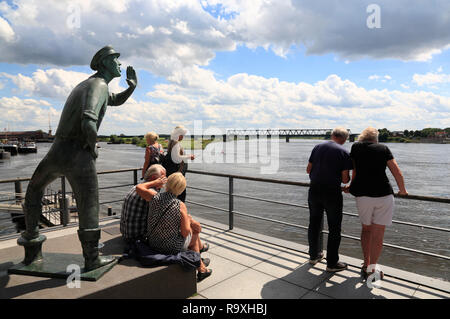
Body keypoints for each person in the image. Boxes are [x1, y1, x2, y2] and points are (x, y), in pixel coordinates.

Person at [18, 45, 137, 271]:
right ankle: (92, 258)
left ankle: (31, 249)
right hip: (77, 153)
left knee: (34, 190)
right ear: (104, 63)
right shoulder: (99, 85)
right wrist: (92, 148)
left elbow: (114, 99)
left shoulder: (89, 84)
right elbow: (88, 120)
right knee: (89, 204)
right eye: (115, 60)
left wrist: (131, 88)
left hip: (57, 151)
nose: (120, 64)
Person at [345, 127, 408, 279]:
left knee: (366, 230)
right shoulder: (383, 148)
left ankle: (365, 264)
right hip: (384, 195)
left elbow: (355, 171)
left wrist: (350, 186)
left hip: (363, 196)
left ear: (362, 137)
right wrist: (402, 190)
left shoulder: (356, 147)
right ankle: (372, 269)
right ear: (376, 138)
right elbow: (396, 171)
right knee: (378, 235)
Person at [137, 172, 212, 282]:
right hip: (169, 247)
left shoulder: (154, 197)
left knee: (193, 230)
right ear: (181, 190)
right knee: (194, 232)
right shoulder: (180, 205)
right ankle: (200, 268)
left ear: (167, 184)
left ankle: (200, 261)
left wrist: (155, 182)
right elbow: (185, 233)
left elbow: (139, 187)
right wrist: (190, 221)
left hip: (153, 242)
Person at [306, 127, 353, 272]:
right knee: (334, 228)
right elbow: (345, 179)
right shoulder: (344, 152)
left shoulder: (317, 147)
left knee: (314, 223)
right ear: (344, 140)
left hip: (314, 190)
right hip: (332, 193)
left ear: (332, 135)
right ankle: (332, 263)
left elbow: (308, 169)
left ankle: (314, 256)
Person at [121, 164, 166, 244]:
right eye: (162, 178)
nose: (165, 180)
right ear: (153, 178)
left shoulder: (138, 186)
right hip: (136, 237)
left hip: (126, 232)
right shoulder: (150, 191)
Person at [163, 125, 195, 202]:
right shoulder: (176, 143)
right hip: (178, 174)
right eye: (182, 135)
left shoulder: (171, 142)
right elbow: (176, 157)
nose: (183, 137)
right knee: (180, 196)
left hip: (173, 173)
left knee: (172, 194)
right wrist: (189, 157)